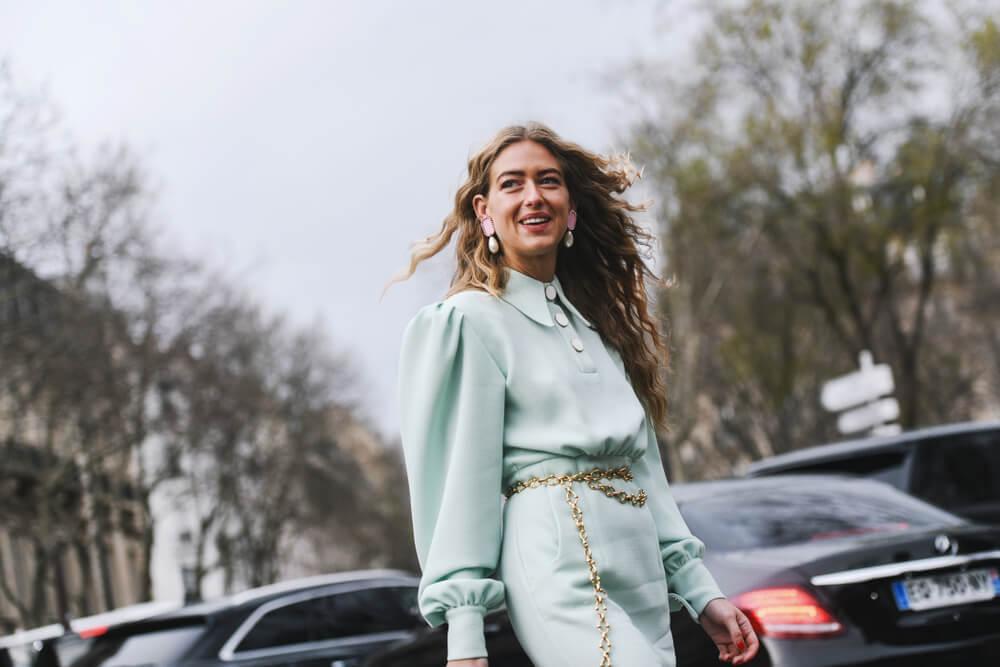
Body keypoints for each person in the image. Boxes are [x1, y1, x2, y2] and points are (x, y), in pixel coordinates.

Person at [392, 123, 759, 667]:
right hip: (556, 563)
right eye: (512, 184)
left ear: (571, 212)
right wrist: (464, 633)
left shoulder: (597, 328)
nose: (533, 195)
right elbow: (458, 484)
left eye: (548, 181)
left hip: (642, 576)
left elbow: (645, 472)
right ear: (484, 211)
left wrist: (702, 591)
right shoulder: (469, 322)